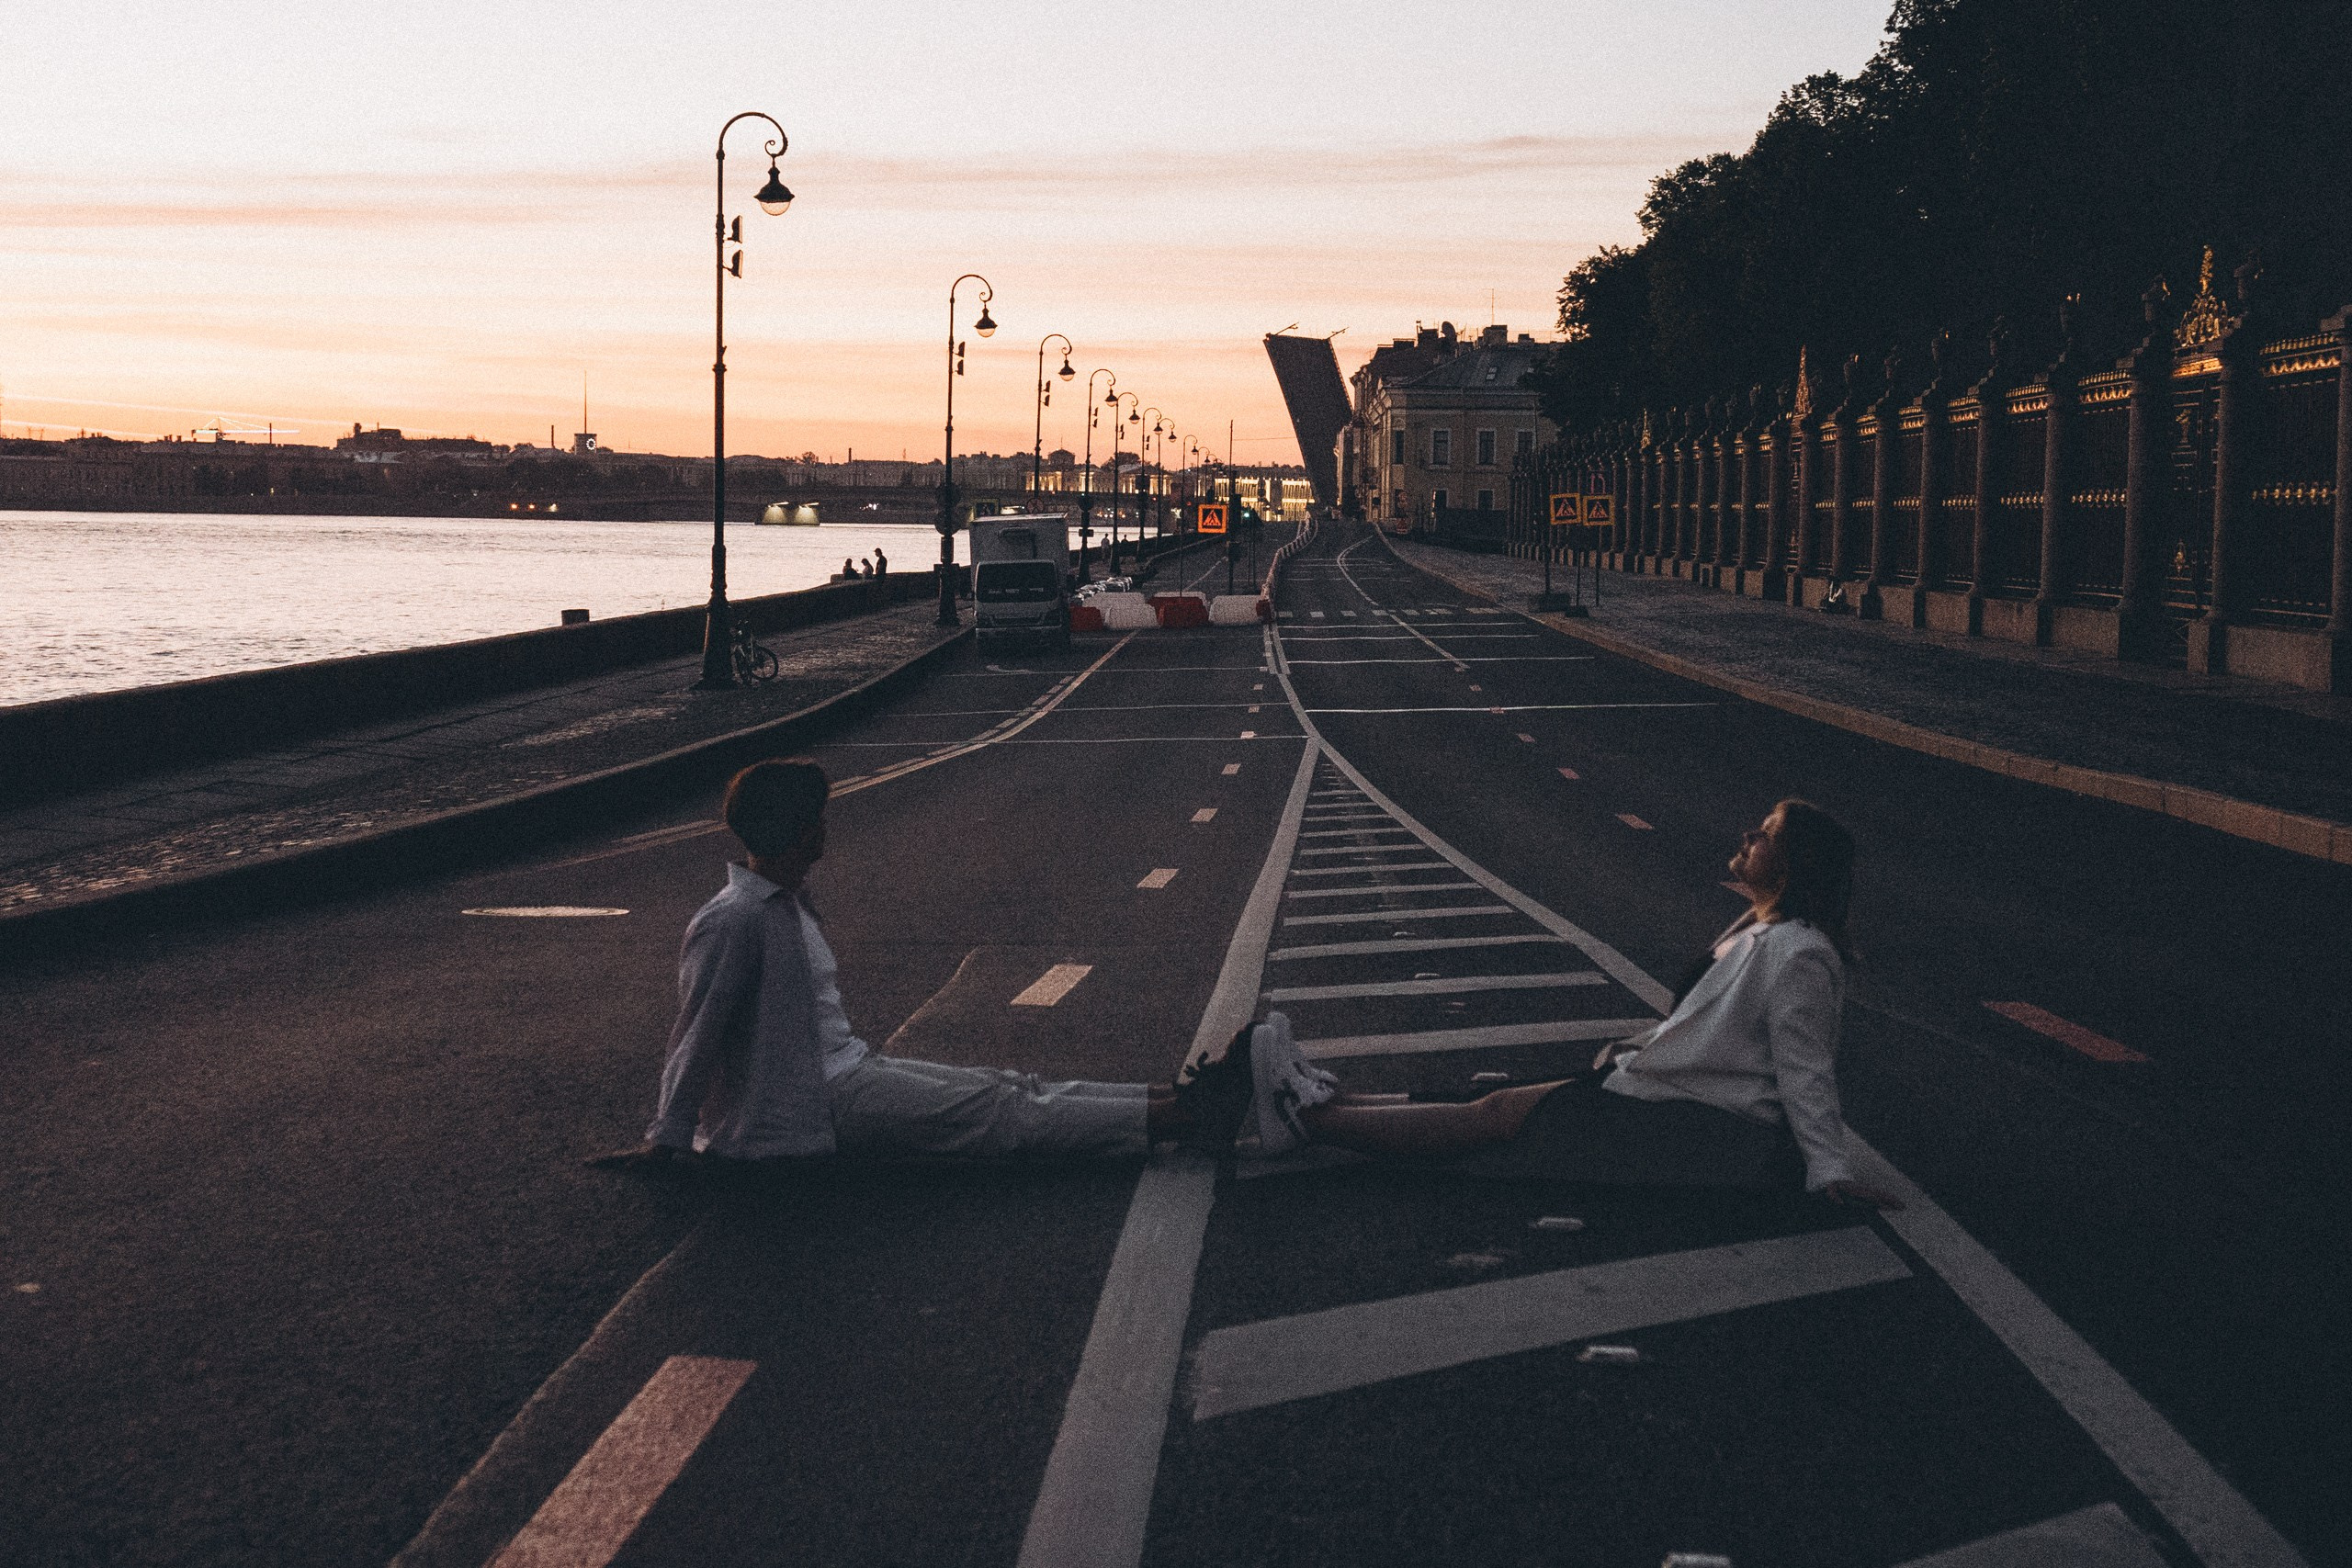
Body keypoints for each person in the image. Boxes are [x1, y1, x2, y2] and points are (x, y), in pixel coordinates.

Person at [589, 759, 1243, 1174]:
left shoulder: (784, 904)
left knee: (1008, 1088)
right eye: (817, 818)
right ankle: (1181, 1117)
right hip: (816, 1106)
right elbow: (696, 1034)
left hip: (845, 1075)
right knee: (999, 1114)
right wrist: (667, 1137)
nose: (825, 828)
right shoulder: (735, 919)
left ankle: (1176, 1099)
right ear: (798, 829)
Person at [1255, 798, 1902, 1209]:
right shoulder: (1760, 928)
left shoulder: (1801, 953)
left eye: (1766, 834)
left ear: (1790, 866)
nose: (1748, 834)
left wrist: (1828, 1169)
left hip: (1701, 1127)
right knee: (1488, 1098)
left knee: (1495, 1116)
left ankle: (1307, 1118)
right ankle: (1320, 1098)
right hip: (1662, 1095)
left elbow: (1804, 1067)